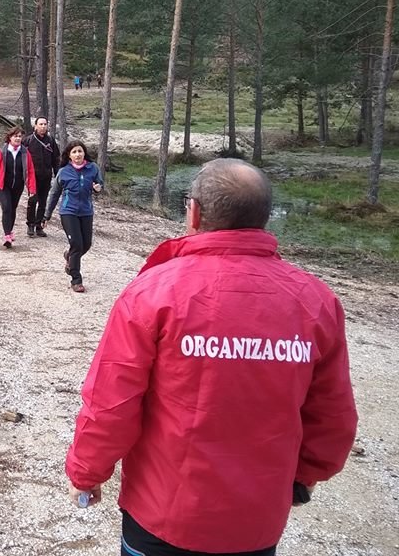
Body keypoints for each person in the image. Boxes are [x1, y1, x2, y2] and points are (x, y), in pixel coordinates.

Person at [63, 158, 357, 556]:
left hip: (164, 512)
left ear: (195, 212)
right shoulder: (316, 301)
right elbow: (333, 414)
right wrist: (302, 478)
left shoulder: (154, 291)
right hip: (256, 519)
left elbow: (112, 400)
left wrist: (87, 471)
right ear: (264, 218)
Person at [43, 139, 102, 292]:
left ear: (84, 153)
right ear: (69, 155)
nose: (77, 154)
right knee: (77, 243)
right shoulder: (63, 172)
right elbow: (54, 194)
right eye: (74, 152)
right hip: (68, 211)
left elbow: (100, 184)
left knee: (86, 244)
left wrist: (97, 188)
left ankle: (69, 256)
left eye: (80, 151)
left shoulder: (93, 168)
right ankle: (76, 279)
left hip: (86, 211)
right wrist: (46, 215)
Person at [0, 126, 36, 249]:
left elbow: (30, 171)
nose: (18, 138)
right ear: (9, 138)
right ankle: (7, 235)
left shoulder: (24, 152)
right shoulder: (1, 152)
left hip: (17, 185)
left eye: (19, 136)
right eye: (15, 136)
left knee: (13, 209)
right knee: (6, 207)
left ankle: (10, 230)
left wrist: (32, 188)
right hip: (2, 185)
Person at [24, 116, 60, 238]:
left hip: (46, 176)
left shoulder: (51, 141)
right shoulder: (28, 141)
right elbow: (22, 158)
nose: (43, 126)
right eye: (41, 124)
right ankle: (30, 224)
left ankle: (39, 225)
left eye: (45, 124)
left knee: (43, 202)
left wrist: (57, 175)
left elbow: (56, 159)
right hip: (33, 177)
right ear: (35, 126)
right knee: (33, 200)